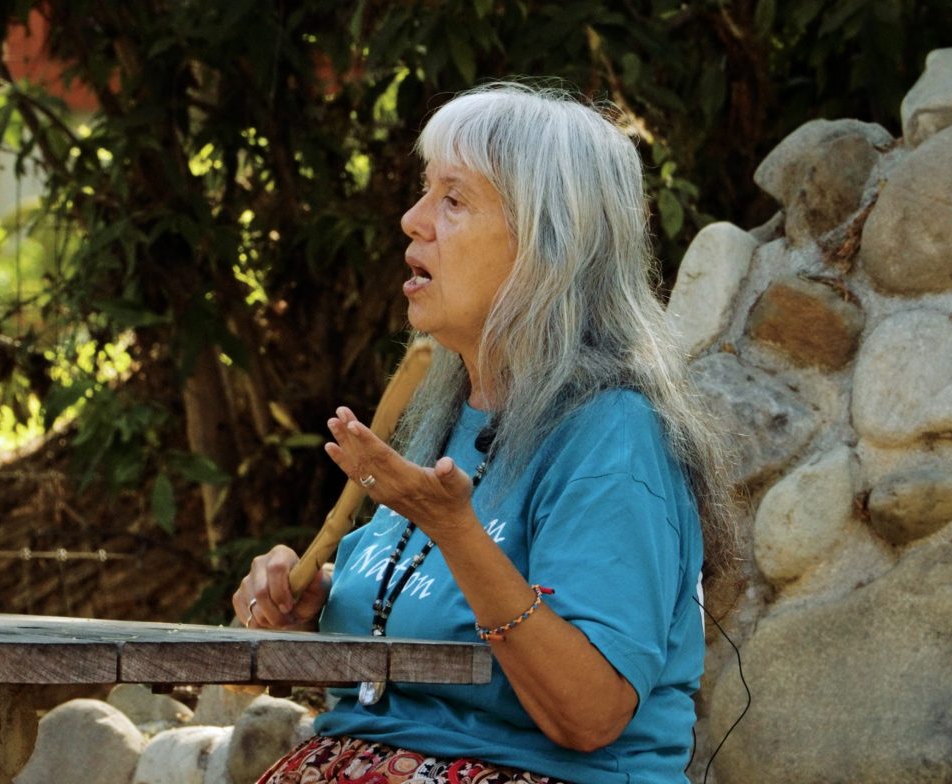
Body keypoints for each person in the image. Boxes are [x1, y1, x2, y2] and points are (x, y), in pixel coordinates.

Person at [232, 82, 736, 784]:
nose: (413, 220)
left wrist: (458, 533)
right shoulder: (443, 418)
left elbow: (589, 714)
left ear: (546, 243)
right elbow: (395, 660)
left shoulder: (613, 434)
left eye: (453, 199)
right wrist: (306, 618)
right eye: (423, 192)